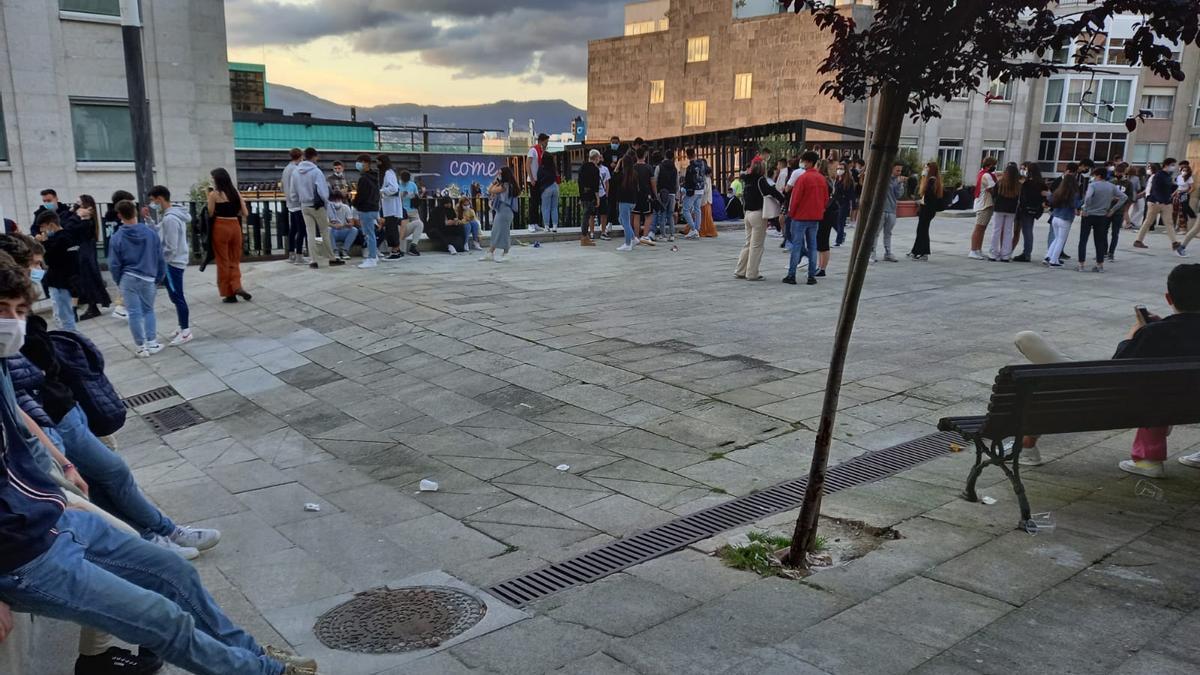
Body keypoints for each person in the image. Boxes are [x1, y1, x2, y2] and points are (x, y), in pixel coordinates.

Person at [1014, 264, 1200, 476]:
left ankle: (1026, 446)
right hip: (1187, 403)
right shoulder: (1157, 332)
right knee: (1165, 387)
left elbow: (1116, 369)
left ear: (1169, 298)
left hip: (1121, 403)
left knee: (1031, 345)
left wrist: (1134, 334)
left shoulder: (1154, 334)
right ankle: (1148, 459)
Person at [108, 201, 164, 357]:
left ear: (119, 215)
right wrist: (159, 277)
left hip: (128, 277)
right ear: (136, 212)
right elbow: (160, 257)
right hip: (148, 277)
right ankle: (152, 343)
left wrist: (119, 280)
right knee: (148, 310)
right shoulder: (150, 233)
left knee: (134, 313)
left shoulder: (117, 237)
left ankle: (141, 346)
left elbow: (114, 263)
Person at [146, 186, 192, 346]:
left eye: (153, 200)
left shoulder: (170, 218)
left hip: (173, 263)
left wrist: (162, 261)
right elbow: (159, 231)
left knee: (177, 296)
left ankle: (186, 331)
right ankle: (182, 326)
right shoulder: (170, 215)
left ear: (160, 198)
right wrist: (149, 221)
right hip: (175, 261)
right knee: (175, 296)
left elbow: (171, 246)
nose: (152, 203)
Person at [734, 158, 786, 281]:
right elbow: (772, 191)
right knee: (756, 245)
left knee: (748, 243)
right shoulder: (760, 180)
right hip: (758, 214)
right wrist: (783, 200)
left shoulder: (746, 179)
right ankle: (752, 273)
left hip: (747, 214)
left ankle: (740, 270)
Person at [206, 168, 252, 303]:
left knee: (222, 261)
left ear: (217, 180)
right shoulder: (235, 193)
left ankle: (229, 293)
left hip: (220, 227)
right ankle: (237, 286)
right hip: (235, 227)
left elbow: (210, 212)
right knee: (234, 260)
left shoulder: (214, 194)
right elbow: (245, 212)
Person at [291, 148, 342, 269]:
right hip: (317, 206)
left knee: (310, 233)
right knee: (324, 231)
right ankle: (331, 257)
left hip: (304, 205)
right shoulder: (316, 171)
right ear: (314, 157)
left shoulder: (296, 171)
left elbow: (293, 193)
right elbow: (323, 192)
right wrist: (326, 202)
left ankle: (313, 260)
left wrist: (299, 200)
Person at [783, 152, 827, 286]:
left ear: (807, 162)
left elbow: (795, 199)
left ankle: (792, 275)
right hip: (815, 217)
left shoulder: (802, 178)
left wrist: (791, 213)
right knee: (813, 246)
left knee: (797, 246)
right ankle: (811, 276)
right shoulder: (821, 178)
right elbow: (825, 198)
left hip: (800, 216)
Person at [1076, 166, 1126, 273]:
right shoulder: (1111, 186)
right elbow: (1124, 197)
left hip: (1089, 215)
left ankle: (1081, 264)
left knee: (1083, 240)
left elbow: (1088, 197)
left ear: (1098, 175)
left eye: (1094, 175)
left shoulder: (1092, 185)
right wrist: (1113, 210)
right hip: (1102, 215)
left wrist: (1086, 208)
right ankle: (1100, 265)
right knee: (1100, 240)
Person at [34, 211, 79, 331]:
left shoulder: (61, 239)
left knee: (63, 317)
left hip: (60, 282)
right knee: (65, 316)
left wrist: (43, 242)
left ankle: (73, 342)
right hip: (65, 281)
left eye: (43, 226)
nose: (42, 230)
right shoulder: (68, 236)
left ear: (51, 224)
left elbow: (50, 260)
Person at [72, 195, 112, 321]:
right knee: (86, 279)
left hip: (86, 252)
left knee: (88, 278)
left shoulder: (86, 219)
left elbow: (77, 229)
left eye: (79, 202)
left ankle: (92, 306)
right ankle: (92, 305)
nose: (76, 204)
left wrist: (79, 216)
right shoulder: (84, 218)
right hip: (85, 251)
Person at [1133, 160, 1178, 251]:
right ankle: (1138, 240)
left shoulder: (1168, 176)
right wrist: (1158, 200)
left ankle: (1175, 243)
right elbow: (1155, 189)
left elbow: (1168, 188)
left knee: (1169, 223)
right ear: (1166, 165)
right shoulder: (1159, 175)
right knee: (1148, 221)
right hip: (1155, 202)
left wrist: (1175, 186)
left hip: (1166, 202)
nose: (1174, 167)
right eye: (1172, 165)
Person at [1043, 170, 1081, 268]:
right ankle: (1054, 260)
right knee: (1061, 240)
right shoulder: (1074, 194)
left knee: (1056, 238)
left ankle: (1048, 256)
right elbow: (1076, 204)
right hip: (1065, 218)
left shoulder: (1058, 191)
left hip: (1055, 216)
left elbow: (1050, 199)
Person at [1011, 162, 1047, 262]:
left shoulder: (1028, 184)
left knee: (1025, 231)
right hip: (1035, 210)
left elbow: (1023, 198)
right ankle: (1027, 253)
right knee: (1028, 231)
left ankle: (1026, 254)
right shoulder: (1041, 183)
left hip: (1025, 210)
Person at [482, 167, 519, 262]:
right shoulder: (509, 185)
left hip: (504, 211)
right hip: (502, 211)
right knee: (496, 231)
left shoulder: (506, 186)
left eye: (500, 173)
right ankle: (490, 252)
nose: (499, 175)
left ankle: (506, 253)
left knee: (503, 232)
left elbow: (491, 190)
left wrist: (495, 181)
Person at [987, 163, 1021, 262]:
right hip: (1011, 210)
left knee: (996, 230)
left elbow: (994, 195)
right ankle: (1005, 255)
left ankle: (993, 253)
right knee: (1008, 231)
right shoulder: (1017, 185)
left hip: (999, 208)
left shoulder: (1000, 183)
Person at [352, 154, 381, 268]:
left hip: (366, 209)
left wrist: (354, 204)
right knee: (371, 233)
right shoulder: (374, 177)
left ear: (365, 163)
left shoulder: (363, 179)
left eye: (359, 162)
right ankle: (374, 254)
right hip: (373, 208)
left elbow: (361, 195)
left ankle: (372, 258)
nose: (358, 164)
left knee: (369, 235)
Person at [871, 162, 903, 262]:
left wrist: (899, 184)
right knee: (876, 232)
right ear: (892, 169)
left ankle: (888, 253)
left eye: (900, 170)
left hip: (892, 210)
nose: (899, 172)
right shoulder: (884, 179)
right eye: (897, 170)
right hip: (881, 210)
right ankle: (872, 253)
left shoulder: (899, 181)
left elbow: (899, 195)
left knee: (888, 233)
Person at [909, 162, 941, 261]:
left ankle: (924, 252)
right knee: (920, 229)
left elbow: (924, 193)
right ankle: (915, 251)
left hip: (927, 209)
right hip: (927, 208)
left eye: (926, 168)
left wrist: (923, 177)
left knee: (923, 230)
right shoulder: (933, 180)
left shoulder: (931, 180)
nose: (925, 169)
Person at [968, 156, 999, 259]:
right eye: (993, 165)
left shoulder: (984, 173)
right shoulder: (986, 175)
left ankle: (978, 249)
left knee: (982, 228)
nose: (994, 167)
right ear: (988, 165)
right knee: (979, 228)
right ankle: (973, 250)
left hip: (985, 203)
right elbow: (993, 189)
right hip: (984, 204)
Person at [282, 148, 306, 265]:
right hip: (297, 203)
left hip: (289, 203)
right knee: (301, 230)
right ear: (300, 156)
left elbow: (283, 186)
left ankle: (291, 253)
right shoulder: (296, 169)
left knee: (293, 230)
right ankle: (299, 255)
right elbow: (298, 186)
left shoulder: (286, 168)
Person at [613, 150, 639, 252]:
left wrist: (618, 164)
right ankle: (633, 238)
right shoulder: (634, 174)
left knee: (626, 222)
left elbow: (614, 178)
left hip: (624, 201)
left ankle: (628, 243)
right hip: (632, 201)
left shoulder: (622, 175)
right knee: (621, 219)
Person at [1108, 163, 1134, 262]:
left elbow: (1130, 197)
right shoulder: (1111, 182)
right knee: (1104, 231)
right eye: (1117, 172)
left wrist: (1125, 207)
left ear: (1124, 173)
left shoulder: (1128, 183)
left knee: (1115, 232)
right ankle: (1104, 251)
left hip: (1119, 211)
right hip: (1109, 209)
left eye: (1120, 172)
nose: (1118, 174)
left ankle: (1111, 252)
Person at [579, 149, 602, 247]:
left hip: (583, 193)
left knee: (586, 215)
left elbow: (579, 182)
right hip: (591, 195)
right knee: (586, 216)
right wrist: (598, 198)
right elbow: (595, 185)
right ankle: (584, 237)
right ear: (596, 158)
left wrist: (580, 195)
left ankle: (585, 236)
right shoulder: (595, 169)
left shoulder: (583, 167)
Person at [633, 148, 656, 246]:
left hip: (635, 194)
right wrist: (655, 193)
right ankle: (645, 236)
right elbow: (653, 182)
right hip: (647, 194)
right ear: (645, 155)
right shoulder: (649, 168)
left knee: (636, 216)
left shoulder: (633, 167)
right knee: (648, 215)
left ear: (636, 155)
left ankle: (636, 237)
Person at [527, 133, 550, 232]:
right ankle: (531, 223)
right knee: (533, 202)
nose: (546, 144)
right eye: (546, 142)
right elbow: (528, 165)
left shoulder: (542, 151)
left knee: (538, 202)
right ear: (541, 141)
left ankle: (536, 223)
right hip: (533, 180)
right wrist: (531, 178)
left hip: (539, 180)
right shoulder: (533, 150)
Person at [655, 149, 679, 242]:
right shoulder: (675, 168)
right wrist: (677, 195)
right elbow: (677, 183)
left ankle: (663, 235)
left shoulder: (659, 167)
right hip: (672, 193)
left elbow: (655, 180)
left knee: (662, 214)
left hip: (662, 193)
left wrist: (656, 192)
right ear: (673, 157)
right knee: (670, 214)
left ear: (665, 156)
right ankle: (672, 235)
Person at [326, 190, 357, 260]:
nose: (337, 201)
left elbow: (351, 222)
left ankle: (345, 250)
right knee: (328, 229)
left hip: (343, 230)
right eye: (334, 199)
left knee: (354, 230)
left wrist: (345, 225)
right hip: (333, 231)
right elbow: (326, 222)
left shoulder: (345, 207)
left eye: (338, 199)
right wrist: (334, 226)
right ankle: (335, 251)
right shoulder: (328, 208)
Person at [681, 148, 704, 239]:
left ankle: (693, 229)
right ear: (694, 154)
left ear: (687, 156)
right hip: (701, 189)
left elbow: (688, 181)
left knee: (685, 209)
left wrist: (684, 189)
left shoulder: (690, 167)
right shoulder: (701, 164)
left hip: (693, 190)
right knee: (697, 209)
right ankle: (697, 229)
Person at [832, 161, 856, 248]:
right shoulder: (837, 179)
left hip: (844, 203)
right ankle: (841, 233)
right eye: (838, 168)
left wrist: (853, 206)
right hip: (835, 202)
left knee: (840, 222)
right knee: (833, 220)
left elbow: (851, 194)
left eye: (841, 169)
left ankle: (839, 240)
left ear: (845, 170)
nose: (839, 170)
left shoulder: (848, 180)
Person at [537, 150, 560, 234]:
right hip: (555, 186)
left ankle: (546, 226)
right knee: (554, 207)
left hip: (546, 188)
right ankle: (555, 226)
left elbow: (538, 178)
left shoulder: (542, 168)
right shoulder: (553, 167)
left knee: (545, 208)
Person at [699, 163, 718, 238]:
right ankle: (707, 231)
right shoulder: (707, 179)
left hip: (705, 200)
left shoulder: (704, 178)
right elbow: (706, 190)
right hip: (706, 200)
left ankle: (704, 230)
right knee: (707, 217)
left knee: (704, 217)